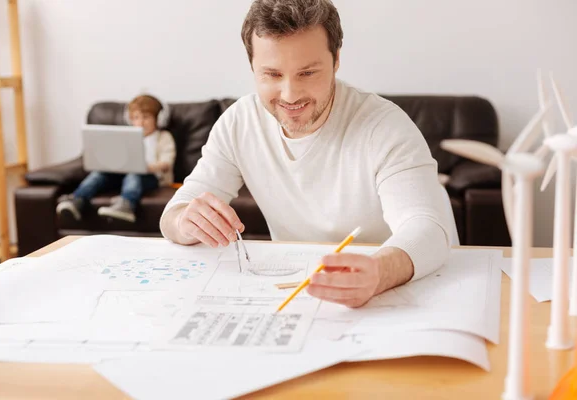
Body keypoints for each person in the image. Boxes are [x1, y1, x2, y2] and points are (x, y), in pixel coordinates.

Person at [160, 0, 451, 308]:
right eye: (272, 74)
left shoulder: (384, 126)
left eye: (308, 73)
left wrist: (378, 272)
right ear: (252, 67)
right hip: (302, 292)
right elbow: (176, 211)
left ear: (336, 60)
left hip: (405, 290)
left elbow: (428, 231)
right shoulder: (238, 122)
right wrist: (185, 222)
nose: (290, 95)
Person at [57, 94, 176, 223]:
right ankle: (77, 199)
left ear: (159, 119)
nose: (140, 122)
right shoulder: (126, 137)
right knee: (99, 174)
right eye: (136, 118)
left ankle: (126, 204)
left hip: (152, 177)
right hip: (123, 176)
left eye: (146, 117)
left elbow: (166, 163)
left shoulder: (163, 137)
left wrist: (146, 167)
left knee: (134, 174)